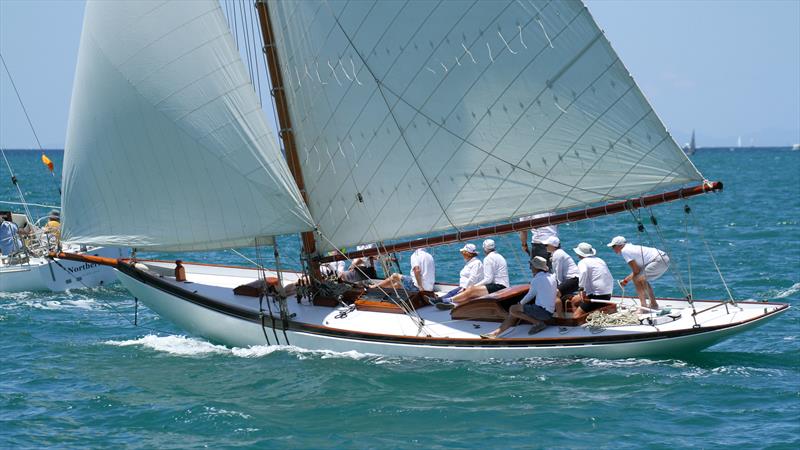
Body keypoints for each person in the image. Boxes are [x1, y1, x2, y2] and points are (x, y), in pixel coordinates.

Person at [481, 256, 559, 338]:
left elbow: (530, 295)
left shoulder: (536, 280)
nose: (530, 268)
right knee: (516, 310)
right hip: (550, 312)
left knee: (513, 309)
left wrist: (520, 303)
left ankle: (537, 323)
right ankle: (496, 333)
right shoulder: (552, 277)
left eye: (531, 266)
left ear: (535, 268)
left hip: (542, 313)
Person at [438, 239, 508, 309]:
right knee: (473, 290)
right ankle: (454, 303)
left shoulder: (488, 258)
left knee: (471, 290)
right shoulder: (499, 256)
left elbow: (488, 279)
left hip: (499, 287)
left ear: (484, 248)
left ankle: (448, 300)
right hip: (503, 285)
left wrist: (473, 287)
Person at [607, 236, 669, 309]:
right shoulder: (630, 248)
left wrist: (626, 281)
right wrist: (626, 281)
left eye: (614, 246)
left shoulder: (625, 251)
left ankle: (643, 307)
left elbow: (636, 271)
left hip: (658, 260)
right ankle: (653, 304)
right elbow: (637, 271)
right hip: (663, 258)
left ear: (619, 245)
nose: (613, 249)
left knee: (637, 279)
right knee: (640, 278)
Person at [570, 242, 614, 317]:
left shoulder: (582, 262)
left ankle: (578, 321)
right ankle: (586, 315)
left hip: (596, 296)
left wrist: (581, 290)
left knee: (576, 315)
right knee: (574, 301)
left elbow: (583, 272)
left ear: (579, 254)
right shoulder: (599, 260)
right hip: (608, 294)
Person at [371, 247, 435, 292]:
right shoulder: (429, 256)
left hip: (419, 288)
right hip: (430, 288)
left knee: (395, 276)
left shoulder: (416, 255)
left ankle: (375, 286)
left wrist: (420, 287)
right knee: (398, 284)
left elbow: (417, 270)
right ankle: (381, 289)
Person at [544, 236, 579, 303]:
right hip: (573, 279)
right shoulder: (557, 253)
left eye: (546, 245)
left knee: (555, 293)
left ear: (553, 246)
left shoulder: (558, 254)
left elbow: (558, 273)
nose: (545, 247)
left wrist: (559, 288)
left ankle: (558, 312)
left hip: (574, 279)